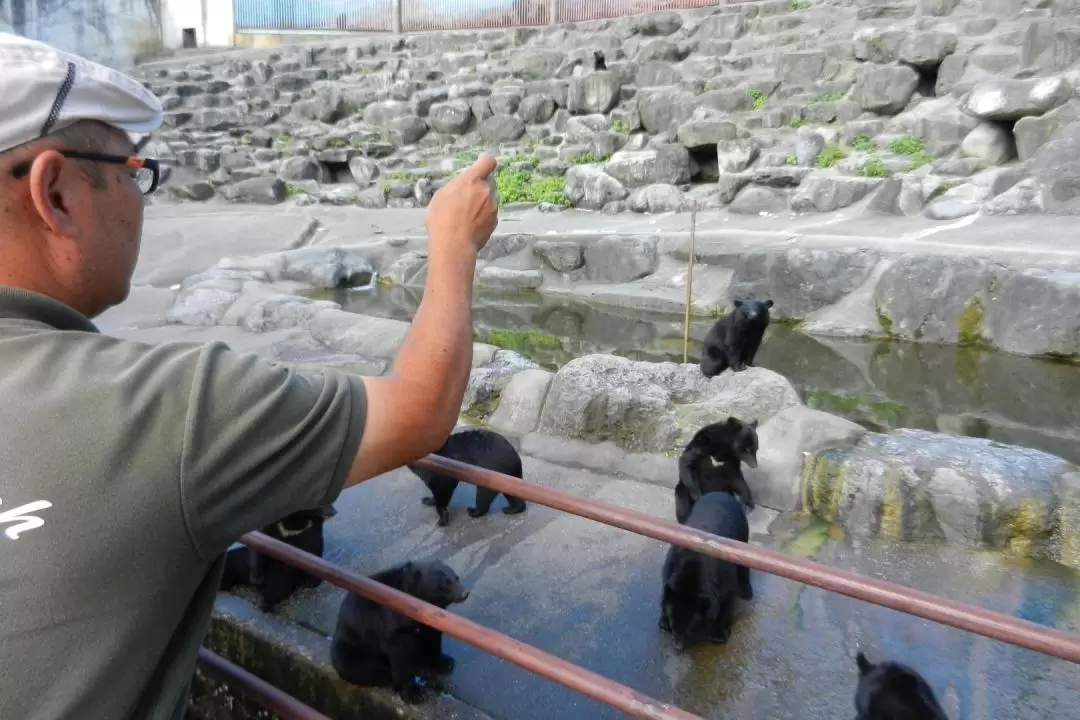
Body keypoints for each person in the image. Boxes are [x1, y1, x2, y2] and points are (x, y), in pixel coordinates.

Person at [0, 32, 499, 720]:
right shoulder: (161, 410)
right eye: (135, 171)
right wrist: (452, 247)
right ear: (55, 192)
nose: (141, 198)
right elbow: (418, 409)